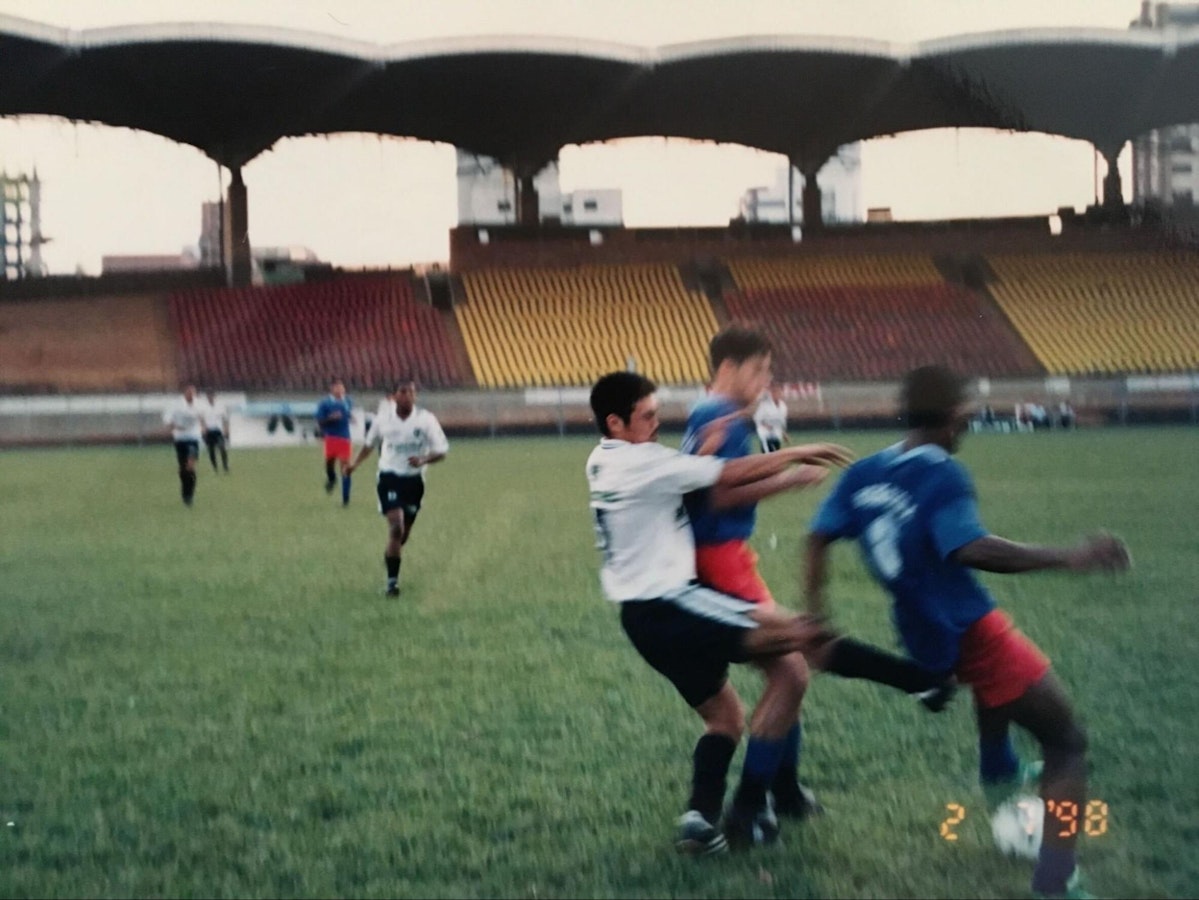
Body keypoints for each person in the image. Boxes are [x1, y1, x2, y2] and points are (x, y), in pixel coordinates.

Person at [804, 365, 1130, 900]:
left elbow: (816, 537)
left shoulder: (865, 473)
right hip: (967, 628)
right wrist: (1071, 556)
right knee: (1066, 742)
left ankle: (996, 769)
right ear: (955, 417)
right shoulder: (944, 476)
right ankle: (1054, 878)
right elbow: (968, 548)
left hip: (917, 625)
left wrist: (817, 614)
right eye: (967, 415)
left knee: (981, 688)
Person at [681, 327, 959, 836]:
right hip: (719, 561)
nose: (767, 380)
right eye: (761, 369)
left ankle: (781, 792)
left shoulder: (711, 413)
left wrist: (784, 475)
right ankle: (750, 807)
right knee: (796, 666)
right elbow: (715, 497)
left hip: (724, 558)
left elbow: (715, 485)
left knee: (789, 671)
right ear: (730, 367)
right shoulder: (720, 415)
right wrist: (790, 477)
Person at [588, 370, 849, 856]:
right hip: (675, 607)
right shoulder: (646, 460)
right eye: (647, 417)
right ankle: (921, 680)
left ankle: (700, 818)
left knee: (725, 717)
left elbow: (676, 477)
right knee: (800, 646)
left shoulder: (602, 460)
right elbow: (724, 477)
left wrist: (703, 452)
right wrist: (794, 457)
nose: (656, 424)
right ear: (615, 422)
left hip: (640, 619)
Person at [346, 379, 448, 598]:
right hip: (389, 477)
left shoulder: (426, 420)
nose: (408, 396)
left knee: (403, 536)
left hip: (414, 482)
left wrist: (424, 459)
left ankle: (391, 557)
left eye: (412, 392)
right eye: (403, 392)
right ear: (394, 396)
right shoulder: (383, 420)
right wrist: (354, 465)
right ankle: (392, 584)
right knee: (396, 527)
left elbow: (442, 451)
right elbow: (369, 445)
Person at [315, 377, 355, 505]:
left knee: (345, 467)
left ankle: (345, 499)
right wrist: (330, 418)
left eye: (342, 387)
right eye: (337, 387)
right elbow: (320, 422)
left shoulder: (347, 401)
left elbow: (347, 414)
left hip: (344, 438)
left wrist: (351, 417)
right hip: (331, 437)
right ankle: (332, 479)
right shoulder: (325, 404)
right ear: (332, 389)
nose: (340, 390)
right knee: (329, 464)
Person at [162, 384, 203, 506]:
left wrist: (204, 427)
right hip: (180, 439)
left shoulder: (199, 404)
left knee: (190, 465)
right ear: (185, 393)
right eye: (189, 392)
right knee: (183, 468)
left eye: (193, 393)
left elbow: (204, 416)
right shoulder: (176, 405)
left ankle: (190, 494)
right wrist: (176, 427)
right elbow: (167, 420)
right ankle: (185, 492)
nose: (192, 395)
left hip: (194, 438)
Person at [199, 389, 230, 473]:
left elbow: (225, 418)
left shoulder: (220, 406)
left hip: (218, 430)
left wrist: (226, 429)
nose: (210, 397)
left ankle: (225, 466)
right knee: (211, 450)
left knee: (222, 448)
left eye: (212, 395)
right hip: (209, 431)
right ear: (207, 397)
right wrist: (203, 428)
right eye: (209, 396)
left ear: (214, 396)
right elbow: (201, 418)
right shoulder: (203, 407)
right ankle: (215, 467)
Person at [753, 381, 789, 453]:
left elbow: (781, 422)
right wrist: (765, 425)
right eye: (774, 392)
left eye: (779, 392)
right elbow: (757, 418)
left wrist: (784, 433)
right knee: (767, 451)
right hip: (765, 432)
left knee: (777, 451)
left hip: (776, 432)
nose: (776, 394)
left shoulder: (783, 406)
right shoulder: (765, 404)